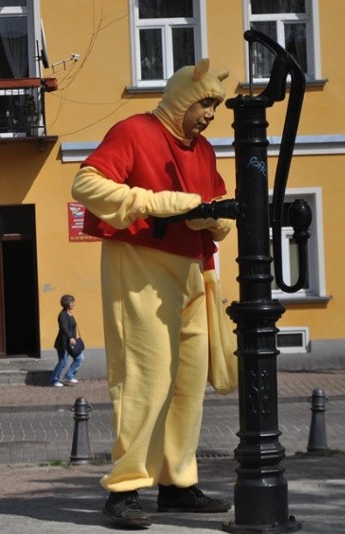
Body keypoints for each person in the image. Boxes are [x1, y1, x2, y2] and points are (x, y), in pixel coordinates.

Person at [71, 59, 236, 528]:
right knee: (145, 379)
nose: (210, 114)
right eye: (204, 103)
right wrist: (160, 202)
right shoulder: (135, 130)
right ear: (182, 98)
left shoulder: (202, 150)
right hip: (140, 260)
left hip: (194, 270)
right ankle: (125, 489)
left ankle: (177, 483)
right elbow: (85, 183)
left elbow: (217, 209)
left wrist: (214, 218)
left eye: (215, 106)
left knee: (187, 385)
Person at [49, 294, 84, 387]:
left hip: (71, 343)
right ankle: (54, 380)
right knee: (63, 361)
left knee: (80, 358)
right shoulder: (63, 315)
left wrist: (74, 338)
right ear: (67, 303)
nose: (74, 304)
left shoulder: (70, 314)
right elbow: (64, 328)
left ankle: (69, 376)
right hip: (63, 343)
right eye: (72, 302)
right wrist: (71, 337)